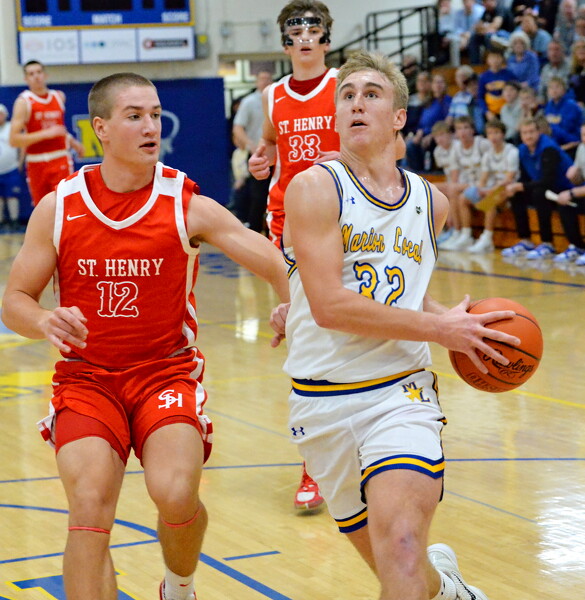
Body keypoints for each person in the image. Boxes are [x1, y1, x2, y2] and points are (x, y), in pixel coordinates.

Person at [0, 72, 289, 600]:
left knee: (175, 493)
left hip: (164, 373)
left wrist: (289, 301)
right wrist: (43, 321)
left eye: (155, 115)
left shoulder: (184, 201)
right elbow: (14, 299)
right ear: (101, 129)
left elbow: (267, 255)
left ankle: (178, 586)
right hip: (87, 379)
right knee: (90, 505)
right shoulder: (60, 206)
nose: (151, 126)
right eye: (134, 116)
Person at [273, 49, 520, 600]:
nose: (356, 103)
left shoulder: (433, 203)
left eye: (371, 94)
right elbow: (330, 306)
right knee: (401, 571)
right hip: (322, 401)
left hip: (400, 394)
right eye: (347, 95)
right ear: (337, 115)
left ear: (399, 117)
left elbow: (408, 292)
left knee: (404, 550)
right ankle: (450, 589)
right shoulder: (315, 187)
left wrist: (459, 324)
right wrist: (440, 330)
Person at [248, 0, 340, 511]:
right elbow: (268, 146)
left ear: (326, 38)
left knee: (351, 331)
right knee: (306, 335)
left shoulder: (347, 85)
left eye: (313, 29)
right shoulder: (273, 95)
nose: (304, 37)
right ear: (285, 42)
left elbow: (390, 150)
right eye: (295, 30)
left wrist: (344, 157)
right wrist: (260, 160)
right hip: (287, 218)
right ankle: (313, 465)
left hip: (345, 214)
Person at [503, 117, 585, 261]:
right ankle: (526, 241)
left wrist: (521, 186)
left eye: (531, 132)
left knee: (539, 193)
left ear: (539, 132)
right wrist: (515, 186)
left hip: (562, 188)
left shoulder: (549, 148)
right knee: (517, 194)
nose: (528, 136)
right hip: (551, 190)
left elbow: (548, 181)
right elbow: (525, 178)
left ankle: (548, 243)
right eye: (525, 133)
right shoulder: (522, 150)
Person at [9, 60, 84, 207]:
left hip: (60, 157)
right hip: (36, 161)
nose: (36, 76)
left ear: (45, 75)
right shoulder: (24, 102)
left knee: (64, 205)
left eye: (39, 72)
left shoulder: (59, 96)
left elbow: (60, 129)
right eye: (31, 74)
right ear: (26, 79)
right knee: (42, 208)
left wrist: (74, 143)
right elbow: (14, 140)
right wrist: (45, 134)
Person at [460, 119, 520, 253]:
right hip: (493, 189)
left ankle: (487, 239)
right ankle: (465, 235)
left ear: (503, 134)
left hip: (511, 190)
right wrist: (479, 189)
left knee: (490, 201)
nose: (493, 136)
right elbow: (483, 178)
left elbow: (509, 179)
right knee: (463, 198)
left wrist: (489, 191)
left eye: (496, 132)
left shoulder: (512, 152)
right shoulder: (488, 154)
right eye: (490, 133)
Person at [439, 115, 491, 250]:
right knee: (438, 188)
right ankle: (454, 232)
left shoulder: (483, 144)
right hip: (468, 185)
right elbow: (454, 178)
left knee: (456, 191)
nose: (462, 132)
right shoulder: (456, 148)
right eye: (459, 128)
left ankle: (461, 233)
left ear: (472, 130)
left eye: (466, 128)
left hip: (485, 184)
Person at [232, 69, 274, 233]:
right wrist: (250, 144)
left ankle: (273, 231)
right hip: (258, 154)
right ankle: (255, 232)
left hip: (278, 154)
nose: (265, 81)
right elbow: (238, 127)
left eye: (268, 78)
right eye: (262, 78)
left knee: (277, 192)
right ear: (256, 81)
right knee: (258, 196)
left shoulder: (277, 98)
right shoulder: (249, 102)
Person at [405, 73, 451, 172]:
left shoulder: (447, 101)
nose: (438, 85)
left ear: (445, 85)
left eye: (441, 82)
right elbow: (421, 121)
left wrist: (432, 135)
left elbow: (446, 123)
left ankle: (427, 173)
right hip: (423, 133)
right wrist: (419, 133)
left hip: (436, 134)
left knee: (428, 144)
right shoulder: (428, 101)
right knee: (410, 145)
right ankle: (416, 173)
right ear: (432, 85)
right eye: (436, 82)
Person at [543, 75, 582, 154]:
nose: (554, 90)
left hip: (573, 142)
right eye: (551, 87)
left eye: (557, 87)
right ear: (547, 91)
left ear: (564, 90)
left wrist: (551, 128)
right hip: (555, 143)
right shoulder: (548, 106)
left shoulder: (571, 106)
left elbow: (567, 129)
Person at [477, 47, 516, 121]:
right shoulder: (483, 77)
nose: (495, 60)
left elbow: (516, 91)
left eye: (497, 57)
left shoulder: (509, 75)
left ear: (502, 59)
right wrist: (487, 112)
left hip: (507, 111)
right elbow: (480, 97)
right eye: (492, 58)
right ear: (487, 60)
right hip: (491, 112)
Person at [0, 103, 22, 232]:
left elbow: (22, 145)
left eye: (0, 114)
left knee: (12, 195)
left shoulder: (11, 128)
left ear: (5, 115)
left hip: (11, 168)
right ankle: (1, 222)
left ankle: (14, 221)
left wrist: (20, 162)